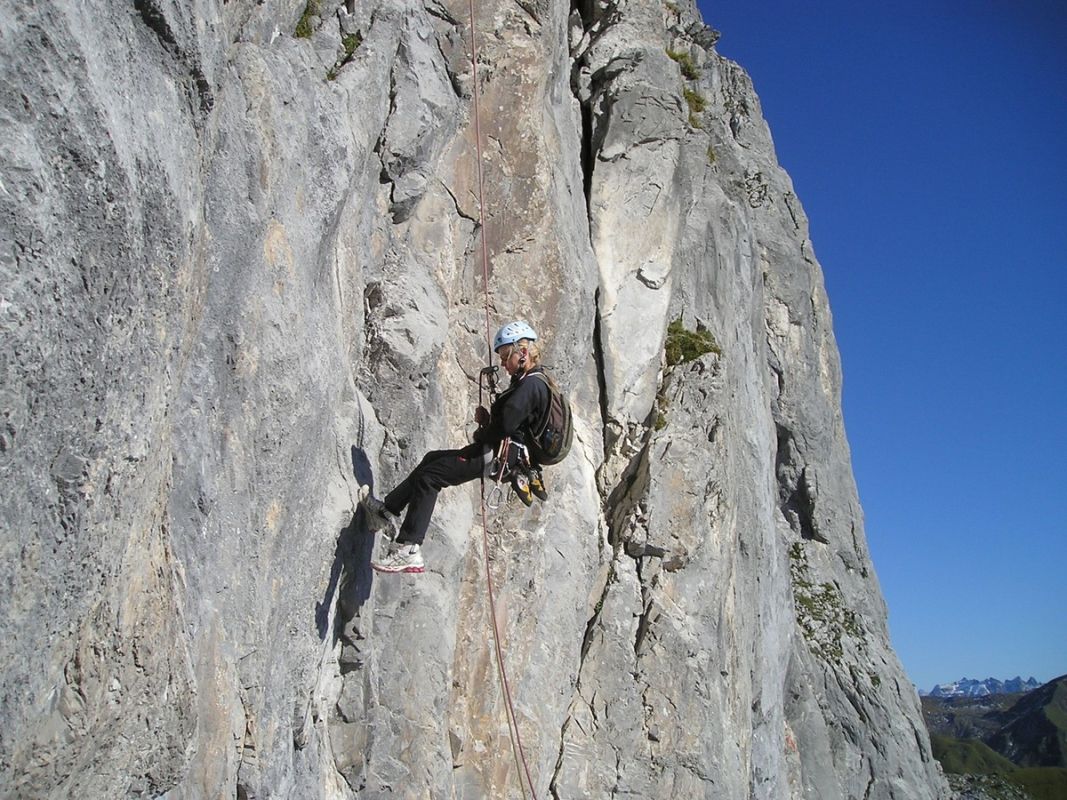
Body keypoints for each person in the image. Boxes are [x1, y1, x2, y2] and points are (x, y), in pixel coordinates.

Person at [362, 321, 551, 574]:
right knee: (432, 460)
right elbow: (513, 422)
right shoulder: (531, 381)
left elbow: (505, 425)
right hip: (498, 453)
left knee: (430, 478)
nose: (504, 365)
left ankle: (409, 548)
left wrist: (486, 427)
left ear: (523, 352)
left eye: (507, 356)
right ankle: (385, 512)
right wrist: (488, 422)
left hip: (496, 455)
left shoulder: (531, 385)